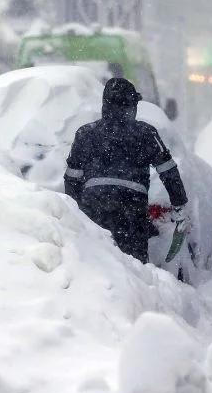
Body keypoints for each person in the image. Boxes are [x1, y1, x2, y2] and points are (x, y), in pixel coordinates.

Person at [64, 78, 188, 263]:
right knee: (134, 268)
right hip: (131, 209)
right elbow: (168, 171)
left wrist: (74, 212)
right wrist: (179, 204)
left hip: (94, 207)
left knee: (96, 263)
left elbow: (72, 178)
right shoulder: (146, 133)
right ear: (132, 106)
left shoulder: (86, 133)